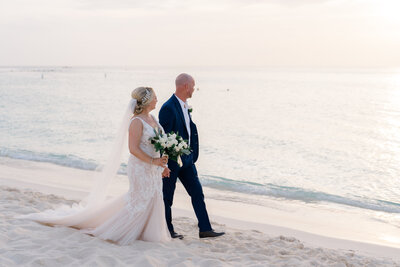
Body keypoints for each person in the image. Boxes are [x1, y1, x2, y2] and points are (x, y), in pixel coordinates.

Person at [19, 87, 171, 244]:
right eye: (154, 97)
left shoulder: (152, 117)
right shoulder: (136, 122)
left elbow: (156, 146)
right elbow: (133, 149)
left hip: (153, 167)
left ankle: (147, 232)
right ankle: (118, 229)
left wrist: (161, 165)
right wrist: (154, 162)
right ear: (146, 101)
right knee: (138, 199)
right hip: (140, 167)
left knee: (154, 196)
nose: (157, 99)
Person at [159, 73, 225, 239]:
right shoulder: (168, 108)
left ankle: (205, 229)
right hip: (173, 161)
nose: (194, 89)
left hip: (187, 159)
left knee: (197, 192)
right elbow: (163, 139)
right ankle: (168, 230)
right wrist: (164, 165)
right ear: (186, 86)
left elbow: (188, 130)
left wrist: (191, 153)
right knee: (167, 196)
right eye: (193, 86)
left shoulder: (185, 105)